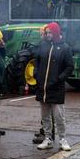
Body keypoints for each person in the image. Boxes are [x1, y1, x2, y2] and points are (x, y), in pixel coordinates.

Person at [32, 22, 73, 151]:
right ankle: (48, 139)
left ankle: (62, 139)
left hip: (56, 88)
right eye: (46, 32)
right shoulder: (43, 46)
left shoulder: (65, 48)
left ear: (56, 33)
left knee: (59, 116)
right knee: (45, 117)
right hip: (42, 88)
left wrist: (59, 79)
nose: (48, 35)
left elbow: (70, 67)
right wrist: (36, 74)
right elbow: (36, 61)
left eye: (50, 32)